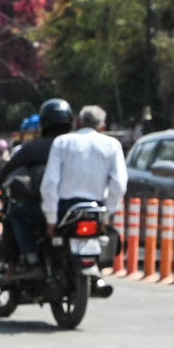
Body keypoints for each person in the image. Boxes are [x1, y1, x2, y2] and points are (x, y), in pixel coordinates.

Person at [41, 103, 128, 298]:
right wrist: (107, 213)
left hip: (65, 208)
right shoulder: (112, 145)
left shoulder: (62, 142)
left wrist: (51, 219)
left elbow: (50, 183)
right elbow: (119, 184)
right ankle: (96, 274)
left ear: (78, 122)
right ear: (102, 127)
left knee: (44, 238)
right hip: (96, 209)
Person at [0, 97, 75, 266]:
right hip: (77, 207)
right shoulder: (78, 147)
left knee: (16, 215)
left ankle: (31, 258)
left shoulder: (34, 148)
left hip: (48, 207)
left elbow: (7, 170)